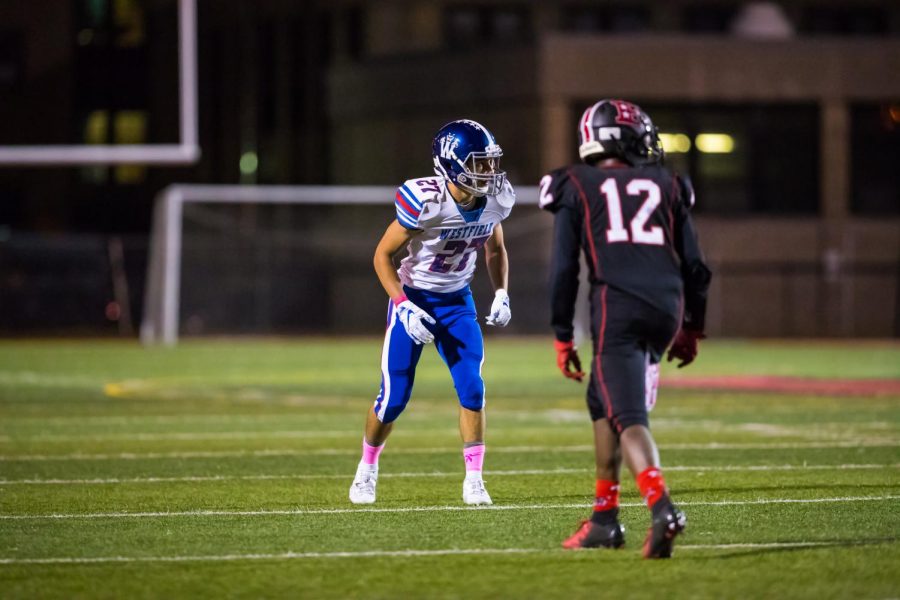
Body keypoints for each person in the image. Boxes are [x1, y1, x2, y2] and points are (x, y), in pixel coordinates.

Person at [539, 99, 711, 558]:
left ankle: (662, 508)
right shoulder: (668, 183)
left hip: (618, 306)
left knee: (627, 415)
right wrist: (692, 326)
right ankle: (604, 519)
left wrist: (561, 333)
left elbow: (563, 271)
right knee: (602, 397)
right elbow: (696, 267)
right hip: (667, 305)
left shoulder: (574, 182)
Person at [349, 119, 515, 506]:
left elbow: (495, 248)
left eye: (490, 163)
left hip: (458, 302)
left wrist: (502, 292)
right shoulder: (425, 200)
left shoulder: (495, 199)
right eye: (479, 163)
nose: (489, 172)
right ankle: (366, 469)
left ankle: (474, 480)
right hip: (416, 299)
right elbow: (381, 255)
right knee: (393, 397)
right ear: (452, 164)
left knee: (472, 387)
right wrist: (403, 306)